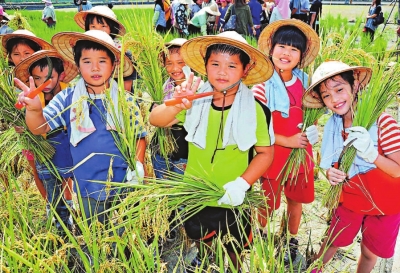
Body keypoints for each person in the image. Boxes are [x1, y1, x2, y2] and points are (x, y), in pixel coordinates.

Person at [149, 31, 275, 272]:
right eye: (215, 64)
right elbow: (156, 119)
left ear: (245, 70)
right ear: (205, 66)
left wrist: (242, 184)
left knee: (235, 244)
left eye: (231, 65)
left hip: (234, 197)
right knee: (200, 237)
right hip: (197, 192)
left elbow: (265, 153)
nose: (222, 72)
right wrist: (177, 103)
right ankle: (207, 261)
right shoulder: (194, 100)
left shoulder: (257, 110)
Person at [17, 30, 146, 227]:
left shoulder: (125, 100)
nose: (95, 67)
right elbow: (39, 128)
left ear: (114, 65)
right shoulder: (68, 98)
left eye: (102, 61)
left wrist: (138, 167)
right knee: (95, 230)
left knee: (124, 231)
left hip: (123, 183)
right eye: (87, 61)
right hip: (87, 186)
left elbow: (139, 137)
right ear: (77, 66)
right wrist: (34, 110)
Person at [302, 60, 400, 273]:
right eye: (327, 95)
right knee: (331, 241)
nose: (334, 99)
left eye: (339, 89)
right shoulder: (333, 126)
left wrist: (372, 155)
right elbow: (329, 165)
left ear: (354, 86)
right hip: (350, 199)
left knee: (368, 251)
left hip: (385, 204)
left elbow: (398, 169)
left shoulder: (383, 124)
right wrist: (331, 173)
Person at [252, 19, 320, 264]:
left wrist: (313, 130)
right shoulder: (261, 84)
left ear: (301, 56)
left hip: (301, 153)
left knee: (295, 201)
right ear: (271, 48)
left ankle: (291, 238)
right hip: (272, 154)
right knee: (267, 202)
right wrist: (287, 140)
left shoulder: (306, 82)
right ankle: (260, 233)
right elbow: (257, 127)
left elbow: (314, 113)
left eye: (294, 49)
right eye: (282, 46)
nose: (286, 53)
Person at [14, 50, 78, 235]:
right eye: (37, 78)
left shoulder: (71, 95)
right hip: (45, 153)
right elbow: (25, 122)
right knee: (52, 187)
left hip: (68, 150)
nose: (43, 84)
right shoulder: (30, 98)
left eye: (49, 77)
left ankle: (73, 211)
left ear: (62, 75)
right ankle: (60, 227)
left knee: (70, 182)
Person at [1, 29, 53, 200]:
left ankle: (65, 204)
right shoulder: (8, 83)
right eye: (16, 53)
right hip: (26, 138)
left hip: (49, 134)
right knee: (36, 171)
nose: (21, 58)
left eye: (27, 53)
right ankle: (49, 205)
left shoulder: (42, 76)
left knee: (58, 171)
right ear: (9, 56)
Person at [74, 5, 137, 93]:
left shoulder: (123, 53)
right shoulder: (85, 50)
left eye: (103, 26)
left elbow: (127, 88)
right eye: (93, 26)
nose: (98, 30)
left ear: (112, 28)